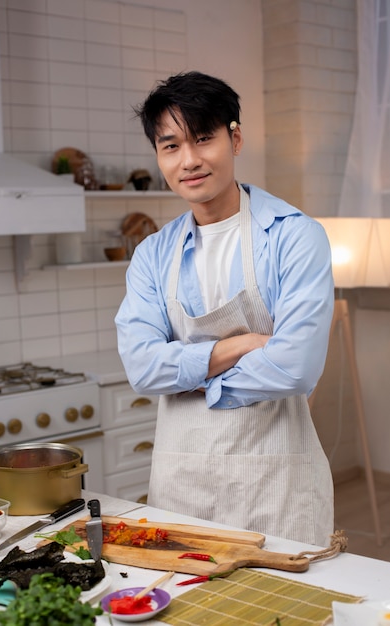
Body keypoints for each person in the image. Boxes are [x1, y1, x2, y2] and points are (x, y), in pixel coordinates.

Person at [115, 71, 335, 546]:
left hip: (276, 484)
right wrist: (239, 346)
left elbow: (296, 368)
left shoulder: (295, 237)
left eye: (203, 139)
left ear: (234, 138)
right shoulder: (152, 254)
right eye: (171, 146)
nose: (189, 160)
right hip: (181, 485)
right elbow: (142, 368)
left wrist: (196, 380)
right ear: (158, 155)